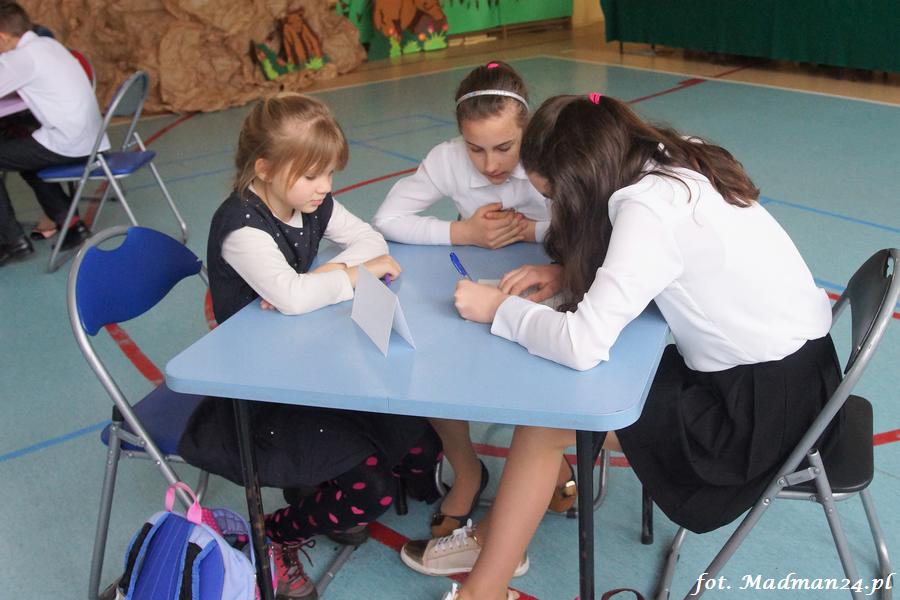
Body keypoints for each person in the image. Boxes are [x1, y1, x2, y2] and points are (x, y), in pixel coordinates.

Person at [402, 93, 842, 600]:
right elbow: (656, 263)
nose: (554, 209)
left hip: (754, 422)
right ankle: (494, 546)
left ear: (583, 183)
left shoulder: (646, 209)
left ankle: (484, 586)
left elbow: (581, 344)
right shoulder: (672, 156)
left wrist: (497, 308)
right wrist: (566, 271)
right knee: (562, 405)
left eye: (555, 197)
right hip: (803, 378)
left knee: (548, 420)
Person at [178, 93, 443, 600]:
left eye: (329, 174)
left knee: (420, 444)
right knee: (374, 489)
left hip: (310, 364)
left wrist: (323, 276)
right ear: (264, 168)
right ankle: (273, 535)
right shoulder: (242, 227)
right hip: (260, 389)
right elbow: (296, 298)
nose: (325, 187)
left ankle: (319, 489)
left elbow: (369, 241)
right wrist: (331, 281)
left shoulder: (310, 201)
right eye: (311, 175)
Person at [373, 61, 576, 539]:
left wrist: (534, 230)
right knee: (433, 364)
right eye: (475, 148)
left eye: (505, 147)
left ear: (529, 131)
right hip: (479, 284)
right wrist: (462, 232)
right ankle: (466, 470)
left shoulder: (554, 154)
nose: (489, 165)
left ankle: (550, 455)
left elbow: (593, 221)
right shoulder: (446, 160)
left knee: (538, 360)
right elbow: (387, 219)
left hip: (555, 280)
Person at [0, 2, 104, 265]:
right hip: (91, 140)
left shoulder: (20, 59)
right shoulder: (48, 44)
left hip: (68, 142)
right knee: (23, 155)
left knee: (18, 148)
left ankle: (13, 241)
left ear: (1, 37)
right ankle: (71, 224)